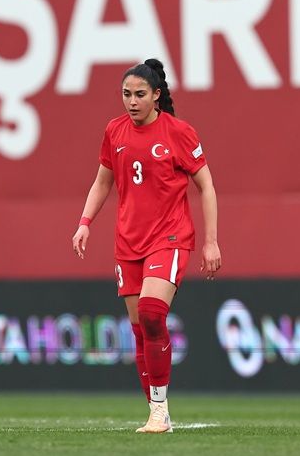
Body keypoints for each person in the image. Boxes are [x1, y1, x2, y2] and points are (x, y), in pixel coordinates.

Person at [71, 58, 222, 433]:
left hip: (169, 237)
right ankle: (158, 411)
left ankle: (158, 411)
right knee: (140, 330)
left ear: (157, 96)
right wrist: (85, 223)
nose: (132, 101)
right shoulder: (115, 132)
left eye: (140, 94)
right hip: (128, 242)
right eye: (126, 94)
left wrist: (211, 242)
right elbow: (102, 182)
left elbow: (206, 186)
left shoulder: (179, 132)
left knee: (154, 314)